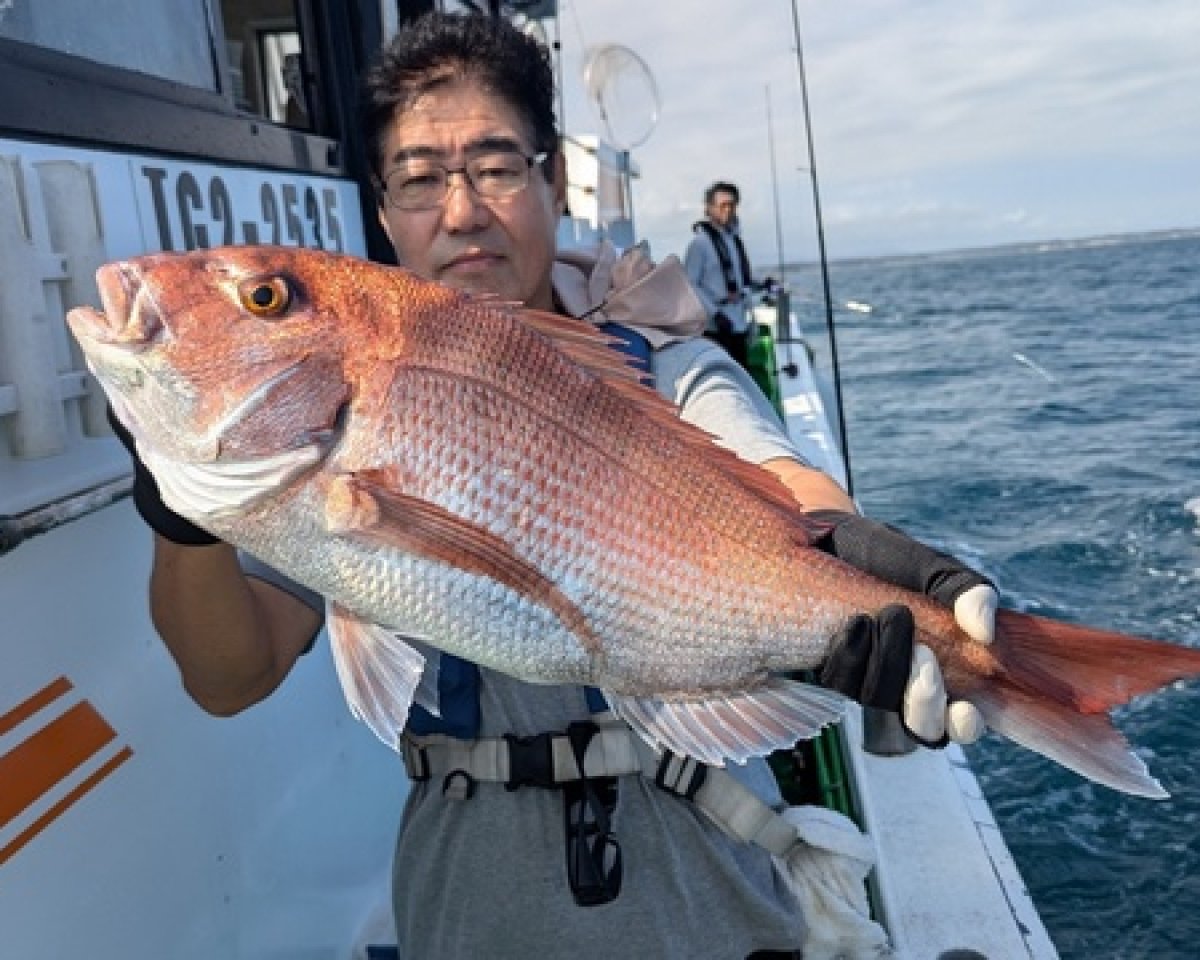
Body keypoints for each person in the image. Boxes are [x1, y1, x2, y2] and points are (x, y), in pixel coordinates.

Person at [112, 12, 997, 960]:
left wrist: (855, 562)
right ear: (382, 210)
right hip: (469, 899)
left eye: (496, 168)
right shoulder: (326, 431)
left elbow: (782, 479)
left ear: (551, 179)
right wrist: (180, 508)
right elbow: (227, 675)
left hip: (710, 880)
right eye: (418, 179)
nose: (460, 212)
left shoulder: (662, 362)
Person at [684, 181, 758, 369]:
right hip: (715, 327)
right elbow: (690, 284)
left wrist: (759, 285)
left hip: (738, 322)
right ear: (709, 208)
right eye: (722, 205)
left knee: (742, 372)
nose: (728, 210)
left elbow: (741, 276)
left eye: (732, 205)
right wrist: (715, 315)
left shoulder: (733, 240)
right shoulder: (699, 244)